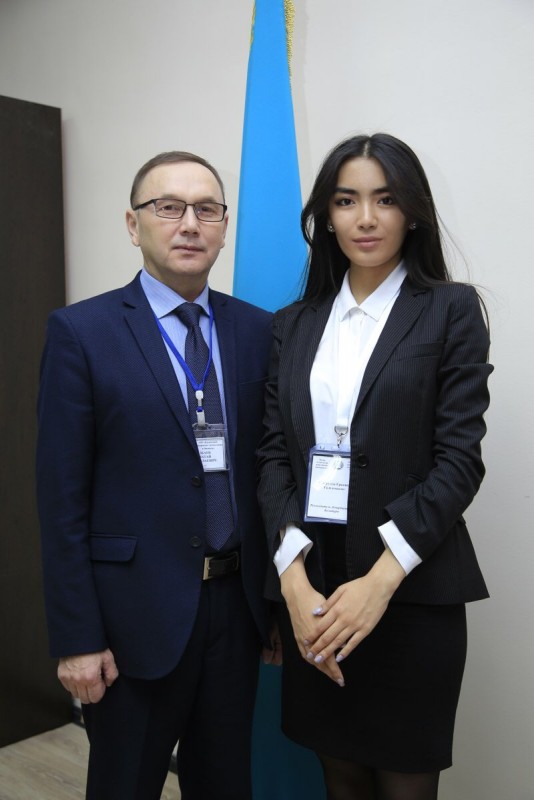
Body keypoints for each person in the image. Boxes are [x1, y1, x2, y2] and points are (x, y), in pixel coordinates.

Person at [257, 133, 492, 800]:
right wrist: (293, 583)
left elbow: (459, 462)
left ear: (412, 212)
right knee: (341, 779)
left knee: (406, 786)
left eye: (385, 200)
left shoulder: (449, 310)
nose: (365, 218)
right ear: (325, 217)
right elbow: (272, 455)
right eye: (346, 200)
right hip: (315, 595)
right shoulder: (293, 323)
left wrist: (380, 582)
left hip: (409, 593)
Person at [36, 151, 279, 800]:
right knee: (125, 785)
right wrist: (77, 638)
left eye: (207, 210)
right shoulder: (81, 332)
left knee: (225, 783)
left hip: (235, 608)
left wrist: (273, 606)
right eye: (169, 207)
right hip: (130, 618)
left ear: (224, 227)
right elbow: (61, 502)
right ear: (133, 224)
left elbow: (268, 472)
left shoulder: (258, 331)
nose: (190, 224)